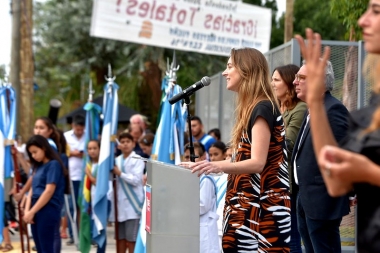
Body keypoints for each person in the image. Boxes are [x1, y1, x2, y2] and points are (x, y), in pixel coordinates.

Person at [184, 48, 290, 252]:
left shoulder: (262, 108)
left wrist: (215, 165)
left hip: (260, 214)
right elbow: (242, 161)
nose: (225, 72)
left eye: (230, 66)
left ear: (247, 70)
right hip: (248, 209)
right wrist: (205, 165)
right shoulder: (255, 107)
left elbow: (257, 162)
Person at [294, 2, 380, 251]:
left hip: (321, 204)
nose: (362, 20)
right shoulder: (372, 103)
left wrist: (367, 172)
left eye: (375, 11)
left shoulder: (336, 110)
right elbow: (336, 177)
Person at [291, 59, 350, 252]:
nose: (294, 82)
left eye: (301, 77)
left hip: (322, 201)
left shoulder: (332, 109)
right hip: (304, 197)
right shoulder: (313, 108)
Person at [271, 64, 307, 252]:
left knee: (291, 237)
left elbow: (288, 144)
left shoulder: (300, 109)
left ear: (289, 83)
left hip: (290, 185)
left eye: (276, 80)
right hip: (275, 182)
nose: (272, 84)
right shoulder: (278, 108)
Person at [23, 135, 67, 253]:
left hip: (47, 208)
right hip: (35, 209)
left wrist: (32, 212)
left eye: (35, 152)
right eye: (31, 153)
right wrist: (27, 211)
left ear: (44, 148)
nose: (33, 156)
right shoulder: (38, 166)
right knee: (39, 247)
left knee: (46, 247)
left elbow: (49, 191)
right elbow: (32, 189)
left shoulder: (53, 165)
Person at [110, 132, 145, 253]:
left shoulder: (138, 159)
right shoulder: (116, 161)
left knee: (131, 240)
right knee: (120, 239)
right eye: (123, 142)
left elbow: (136, 180)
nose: (125, 144)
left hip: (133, 207)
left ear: (133, 144)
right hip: (119, 207)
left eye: (128, 142)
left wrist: (119, 173)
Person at [64, 114, 85, 245]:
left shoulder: (89, 134)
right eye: (77, 128)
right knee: (71, 207)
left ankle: (86, 234)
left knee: (84, 207)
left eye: (81, 129)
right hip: (71, 176)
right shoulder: (66, 136)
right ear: (73, 126)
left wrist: (80, 153)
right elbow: (62, 151)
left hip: (85, 176)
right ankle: (73, 234)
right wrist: (73, 153)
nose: (79, 131)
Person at [83, 140, 106, 253]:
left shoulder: (103, 164)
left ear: (100, 149)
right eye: (90, 149)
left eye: (95, 148)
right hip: (92, 200)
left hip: (102, 200)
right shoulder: (89, 164)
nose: (92, 151)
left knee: (101, 230)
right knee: (94, 230)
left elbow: (98, 183)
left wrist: (88, 174)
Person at [208, 141, 227, 250]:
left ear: (224, 155)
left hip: (221, 223)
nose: (213, 158)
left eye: (216, 154)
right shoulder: (208, 175)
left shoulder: (228, 175)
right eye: (210, 155)